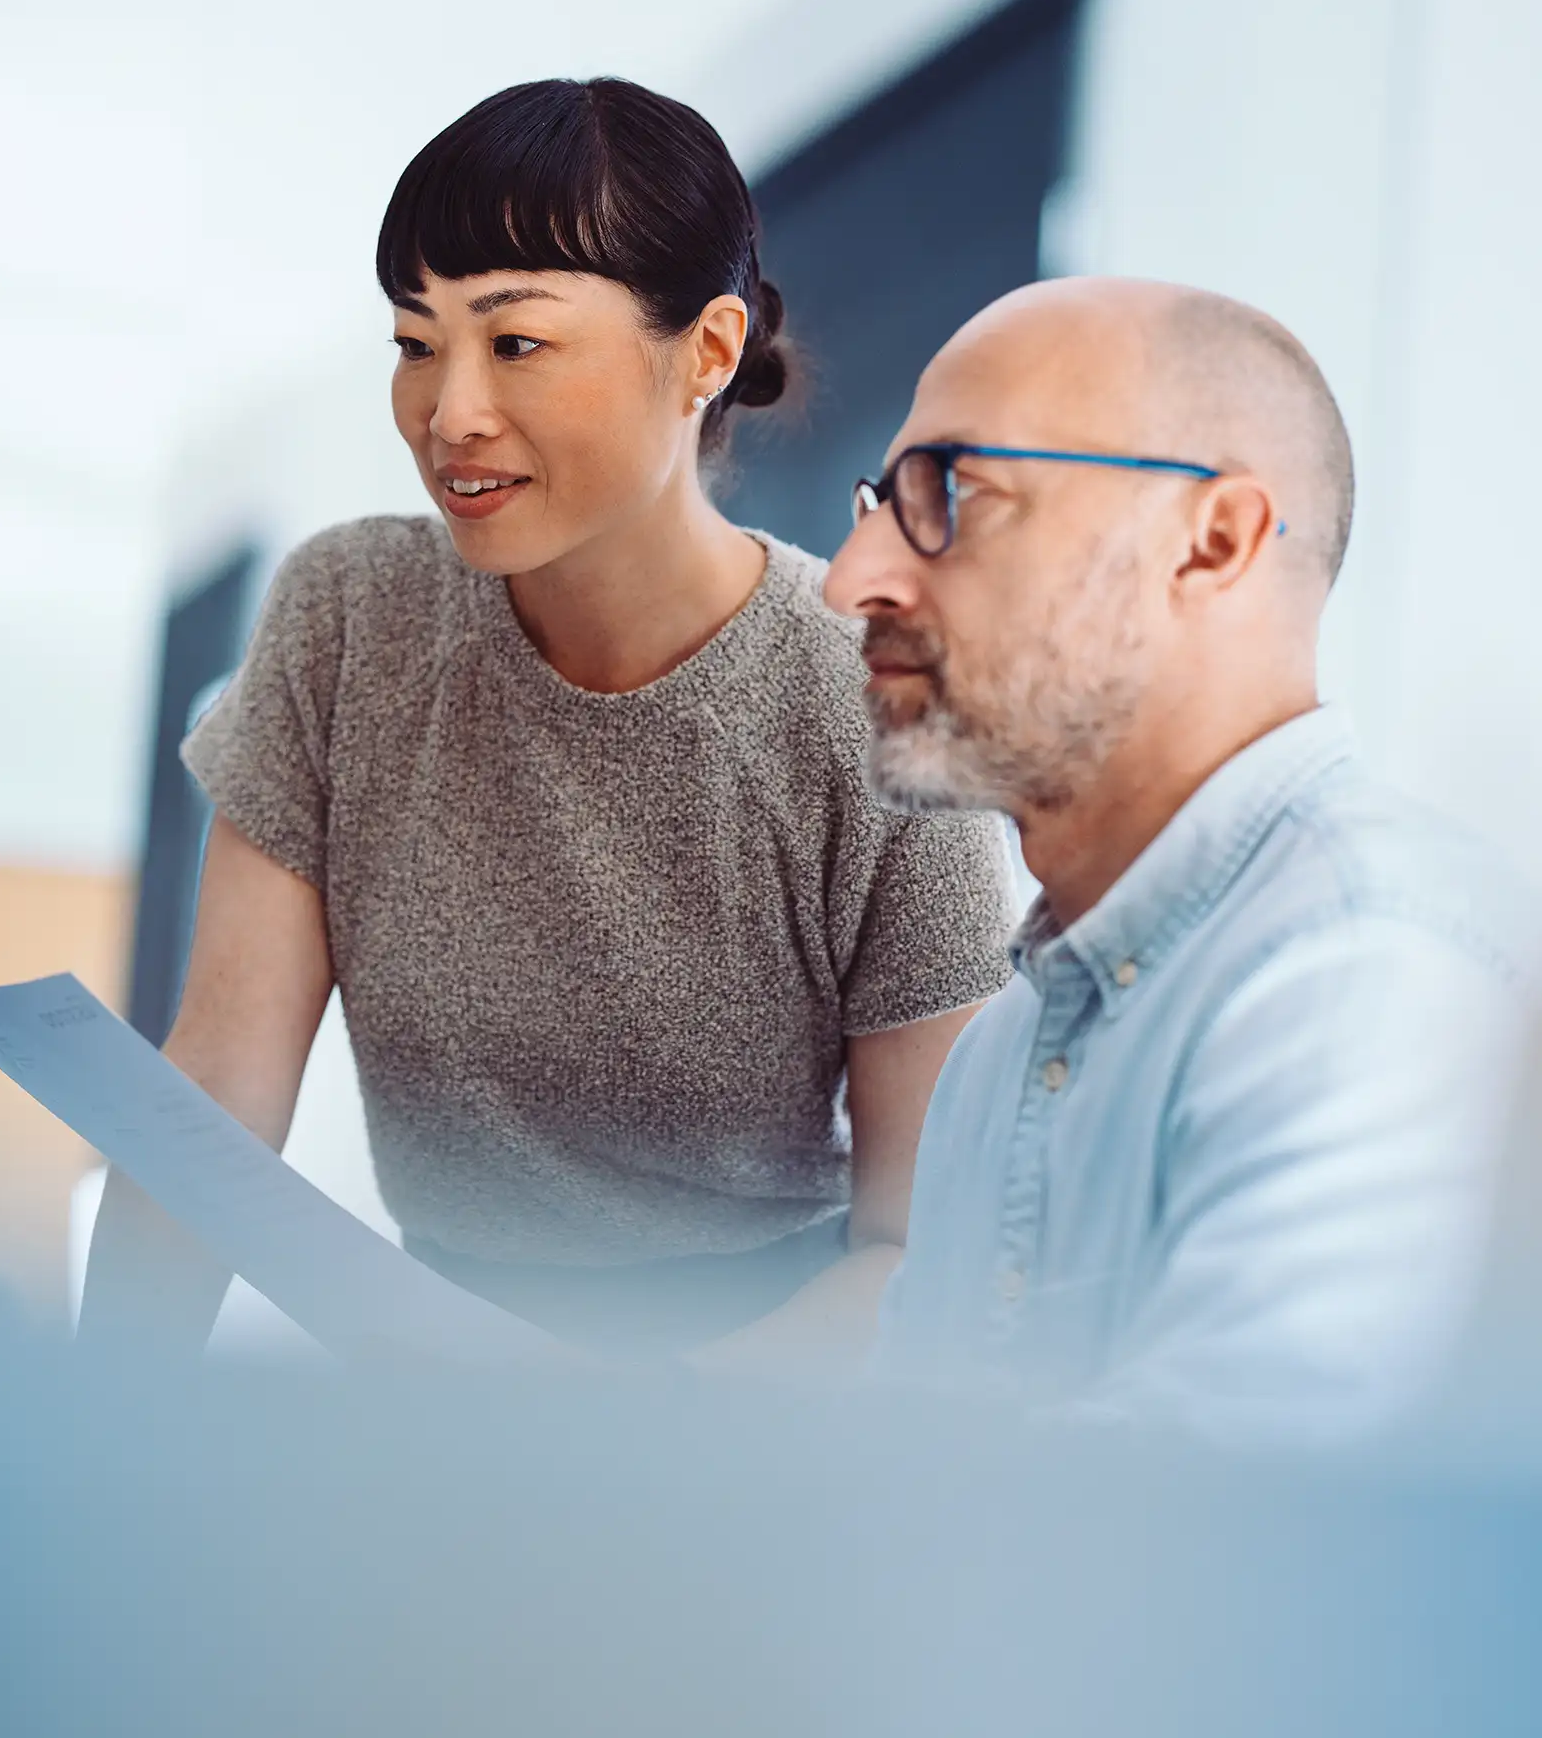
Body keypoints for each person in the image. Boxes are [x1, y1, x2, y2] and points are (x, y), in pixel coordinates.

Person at [80, 78, 1015, 1350]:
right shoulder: (348, 616)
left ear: (709, 350)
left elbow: (916, 1254)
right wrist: (102, 1421)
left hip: (754, 1416)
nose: (448, 412)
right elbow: (216, 1096)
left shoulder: (874, 701)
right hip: (429, 1375)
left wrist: (648, 1442)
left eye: (514, 342)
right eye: (416, 343)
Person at [825, 275, 1542, 1438]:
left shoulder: (1365, 973)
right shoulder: (998, 1056)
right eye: (883, 498)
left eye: (955, 493)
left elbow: (1223, 1551)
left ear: (1212, 544)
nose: (851, 578)